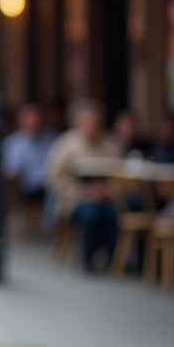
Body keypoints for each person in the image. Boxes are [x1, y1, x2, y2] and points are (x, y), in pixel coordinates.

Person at [47, 99, 123, 272]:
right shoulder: (66, 144)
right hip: (77, 199)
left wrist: (108, 190)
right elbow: (55, 178)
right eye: (88, 123)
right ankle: (88, 259)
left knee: (115, 215)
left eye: (95, 123)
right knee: (91, 215)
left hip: (108, 196)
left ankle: (112, 259)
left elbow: (121, 174)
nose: (92, 127)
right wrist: (83, 191)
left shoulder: (112, 143)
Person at [2, 103, 55, 203]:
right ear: (21, 122)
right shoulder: (13, 143)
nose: (34, 123)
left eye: (36, 120)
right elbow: (11, 171)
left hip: (50, 185)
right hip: (27, 188)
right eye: (30, 120)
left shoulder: (51, 138)